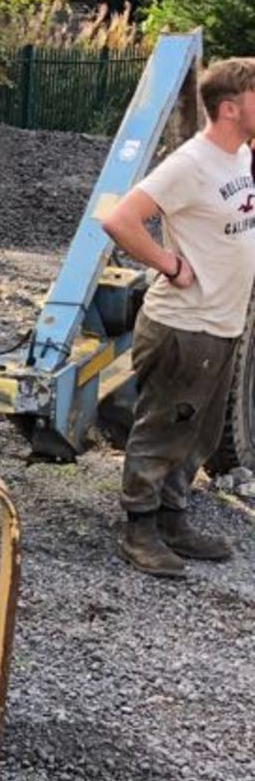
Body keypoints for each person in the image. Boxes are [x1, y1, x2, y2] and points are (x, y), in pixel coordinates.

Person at [99, 57, 255, 577]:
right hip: (185, 327)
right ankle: (138, 531)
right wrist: (170, 264)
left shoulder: (238, 157)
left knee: (200, 434)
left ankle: (172, 518)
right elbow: (119, 219)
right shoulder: (191, 163)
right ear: (230, 108)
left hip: (222, 323)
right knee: (164, 428)